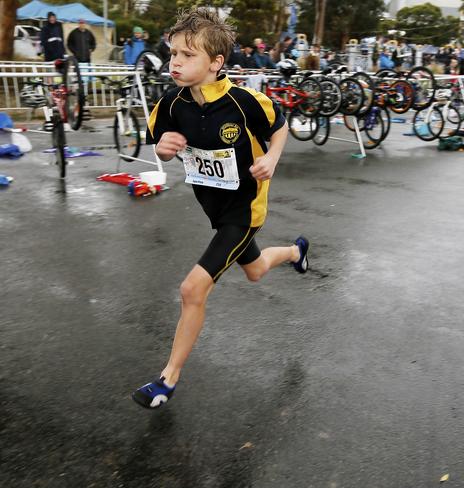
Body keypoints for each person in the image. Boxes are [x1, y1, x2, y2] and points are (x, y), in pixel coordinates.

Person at [132, 7, 310, 409]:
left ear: (216, 63)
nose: (176, 62)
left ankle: (167, 380)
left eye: (187, 55)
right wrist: (162, 148)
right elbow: (159, 140)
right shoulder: (172, 104)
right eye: (173, 53)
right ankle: (297, 252)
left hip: (245, 209)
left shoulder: (246, 102)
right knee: (256, 271)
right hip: (213, 207)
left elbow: (279, 127)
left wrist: (273, 158)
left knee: (192, 289)